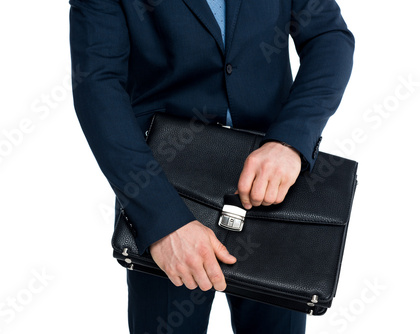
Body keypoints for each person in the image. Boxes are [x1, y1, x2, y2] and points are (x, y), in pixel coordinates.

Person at [69, 0, 354, 332]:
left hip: (272, 189)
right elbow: (97, 86)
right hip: (165, 192)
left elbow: (328, 36)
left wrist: (290, 141)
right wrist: (162, 221)